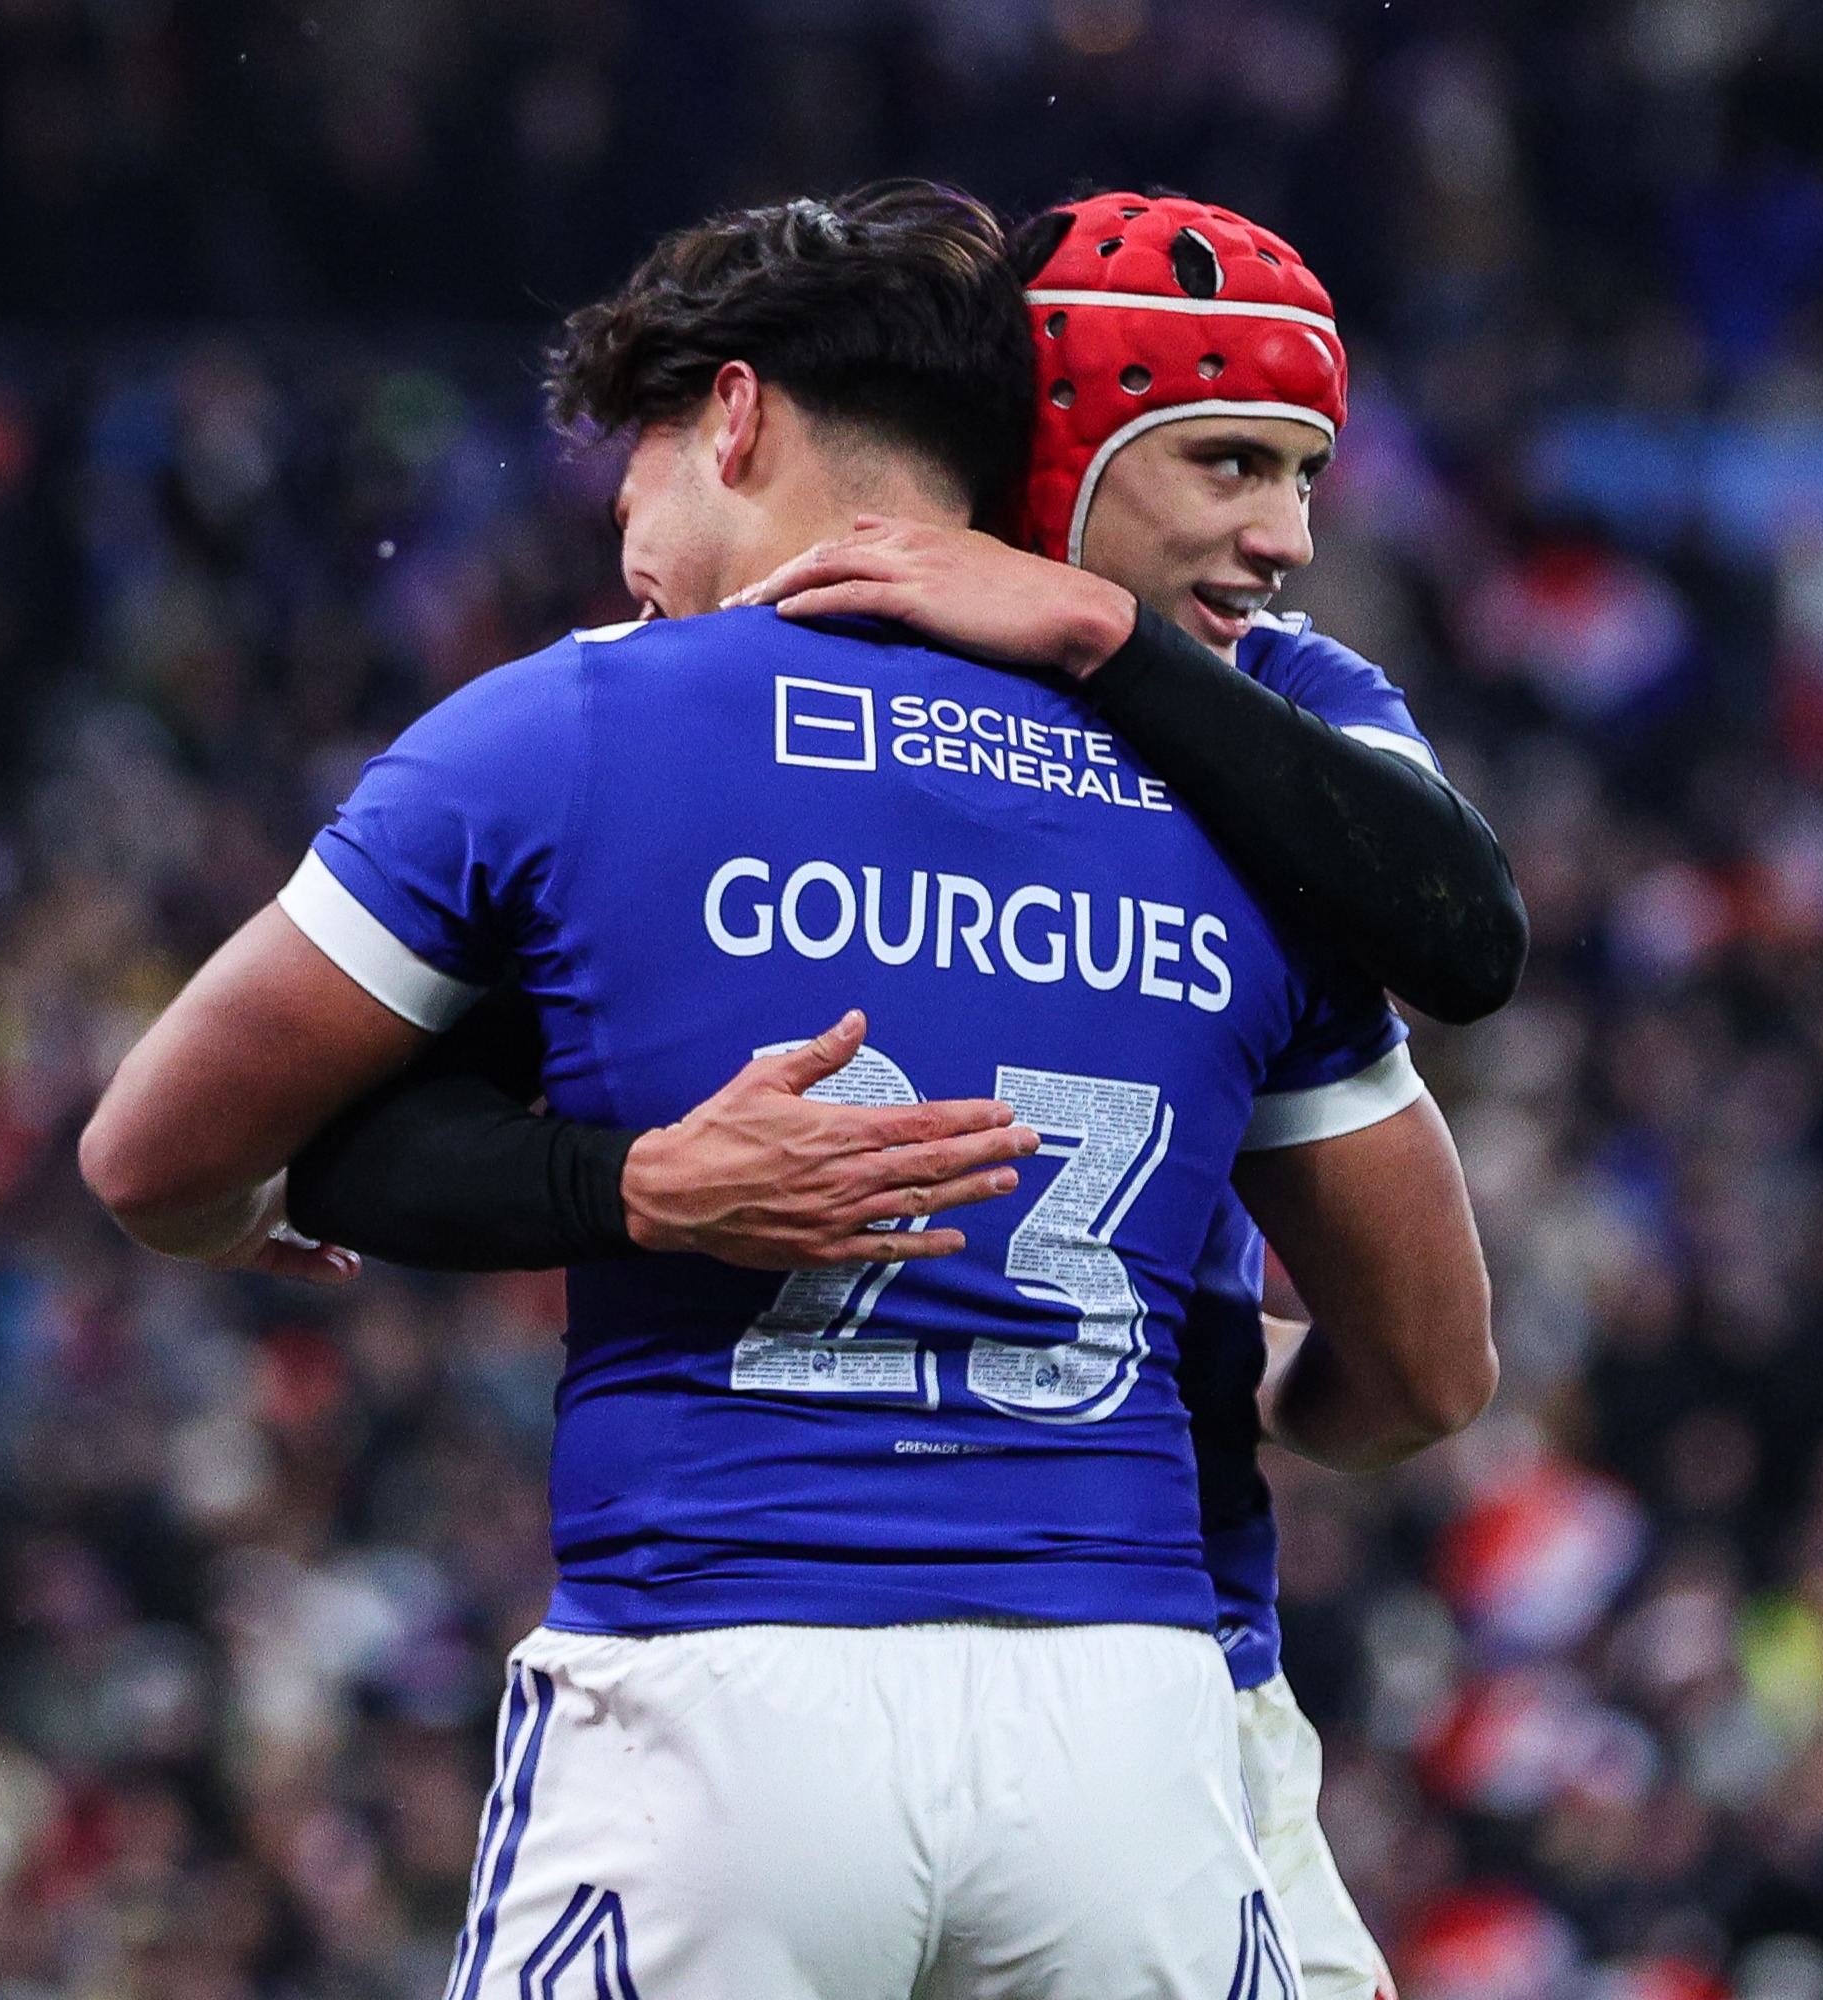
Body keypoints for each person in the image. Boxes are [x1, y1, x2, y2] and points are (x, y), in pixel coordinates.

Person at [77, 181, 1496, 1998]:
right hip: (1140, 1700)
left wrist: (604, 1190)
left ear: (730, 417)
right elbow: (1438, 1352)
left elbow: (157, 1152)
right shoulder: (1247, 791)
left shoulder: (585, 719)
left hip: (722, 1672)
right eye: (1238, 466)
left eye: (635, 486)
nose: (630, 555)